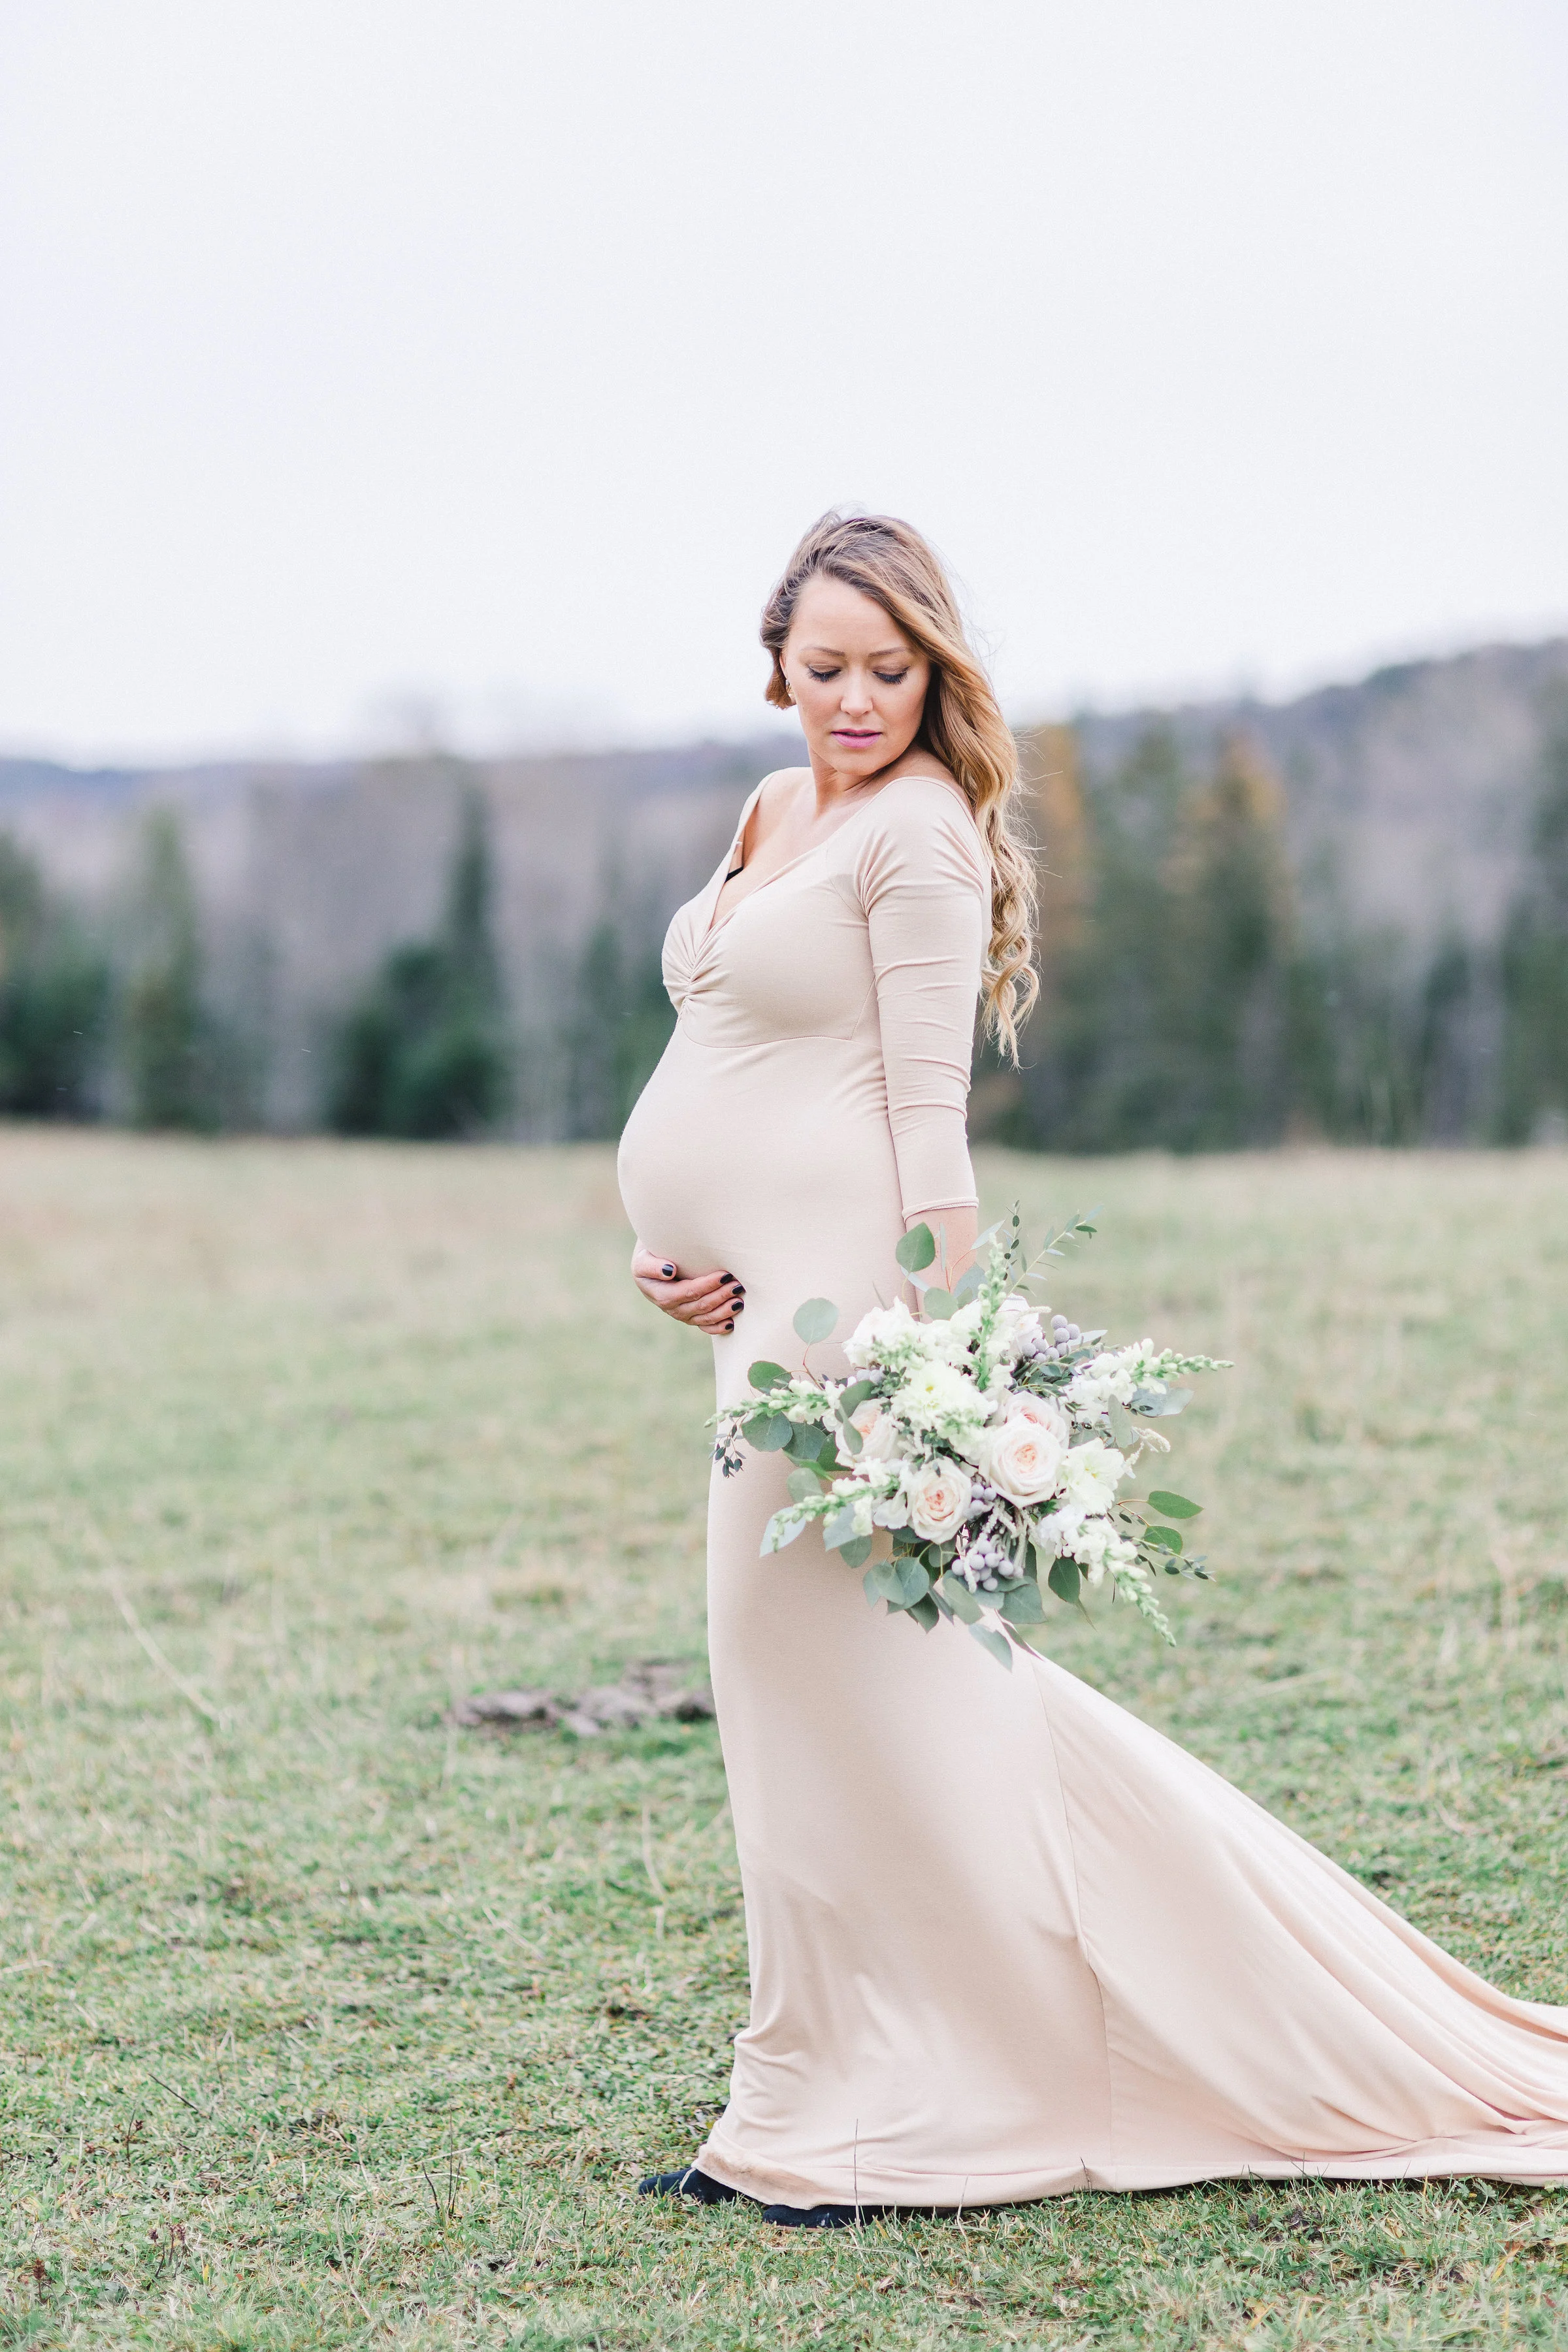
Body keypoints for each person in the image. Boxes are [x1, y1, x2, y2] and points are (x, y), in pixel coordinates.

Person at [615, 510, 1568, 2229]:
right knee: (822, 1699)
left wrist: (938, 1363)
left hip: (845, 1322)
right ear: (776, 660)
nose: (854, 700)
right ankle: (812, 2086)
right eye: (823, 667)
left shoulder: (919, 839)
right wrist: (663, 1242)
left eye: (889, 670)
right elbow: (725, 1046)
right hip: (750, 1305)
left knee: (842, 1679)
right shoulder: (773, 812)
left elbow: (926, 1119)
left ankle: (889, 2101)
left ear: (935, 668)